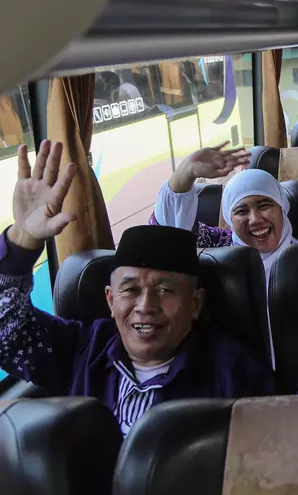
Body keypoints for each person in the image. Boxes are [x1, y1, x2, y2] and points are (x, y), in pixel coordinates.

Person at [0, 142, 274, 435]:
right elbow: (7, 330)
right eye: (130, 290)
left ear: (195, 304)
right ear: (110, 299)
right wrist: (24, 238)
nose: (145, 305)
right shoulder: (81, 351)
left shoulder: (235, 374)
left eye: (165, 290)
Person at [152, 147, 298, 282]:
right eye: (242, 211)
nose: (254, 219)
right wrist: (186, 170)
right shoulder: (216, 251)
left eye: (264, 206)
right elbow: (168, 236)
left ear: (282, 208)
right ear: (230, 219)